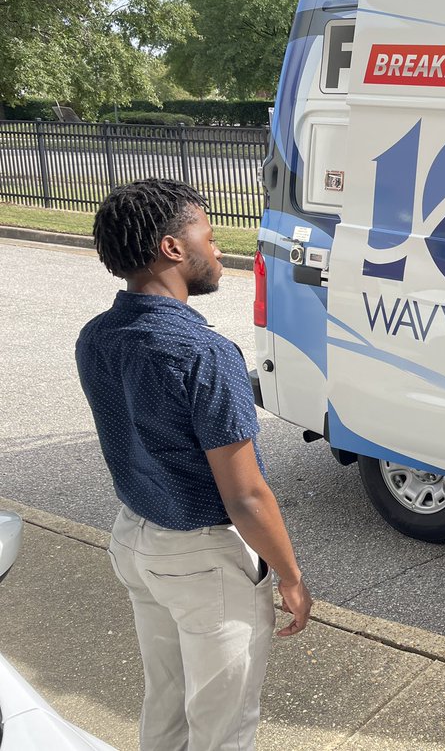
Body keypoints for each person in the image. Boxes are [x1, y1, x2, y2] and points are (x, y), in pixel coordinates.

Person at [75, 179, 311, 751]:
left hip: (135, 541)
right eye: (206, 232)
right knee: (223, 727)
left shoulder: (96, 336)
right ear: (172, 249)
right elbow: (246, 496)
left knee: (167, 700)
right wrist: (290, 575)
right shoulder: (205, 353)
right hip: (203, 559)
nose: (219, 247)